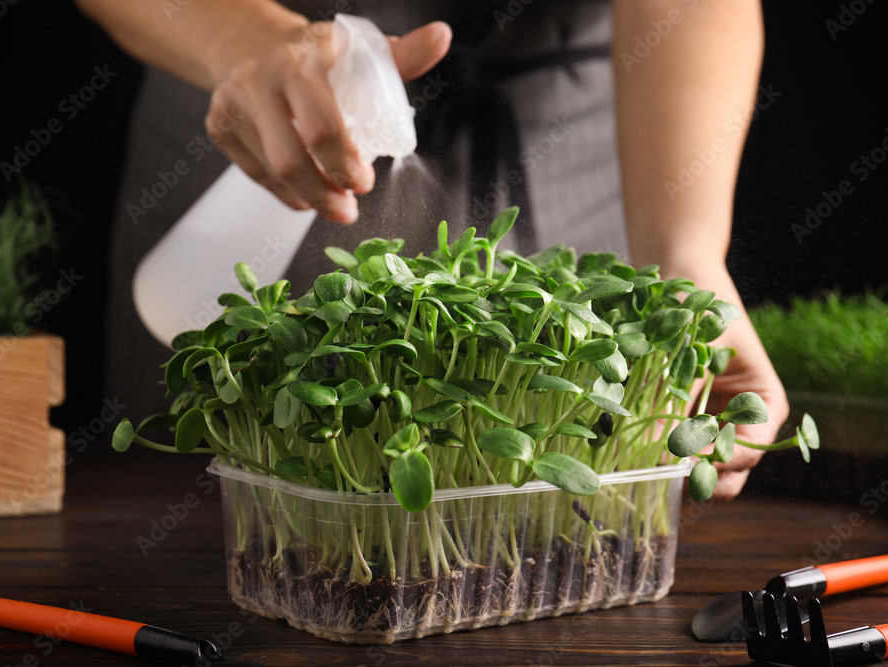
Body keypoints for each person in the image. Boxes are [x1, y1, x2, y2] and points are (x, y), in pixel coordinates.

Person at [75, 0, 787, 500]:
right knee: (187, 516)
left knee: (569, 488)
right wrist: (246, 37)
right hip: (252, 116)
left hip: (597, 129)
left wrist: (685, 255)